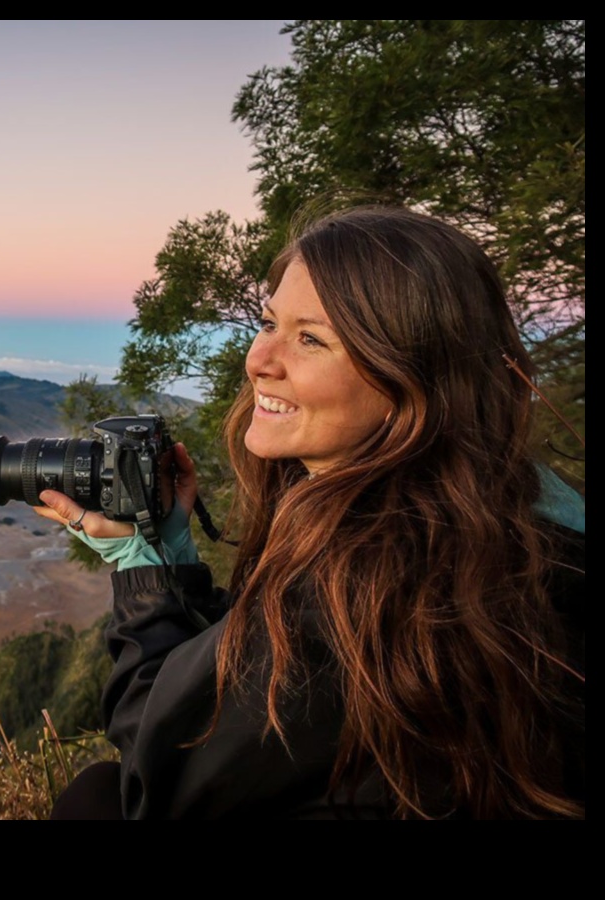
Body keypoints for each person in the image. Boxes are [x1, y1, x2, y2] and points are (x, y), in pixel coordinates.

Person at [35, 206, 585, 819]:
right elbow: (252, 676)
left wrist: (139, 575)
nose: (260, 360)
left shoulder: (366, 582)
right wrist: (174, 560)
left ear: (411, 378)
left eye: (311, 339)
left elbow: (161, 766)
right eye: (269, 322)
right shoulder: (522, 510)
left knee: (97, 799)